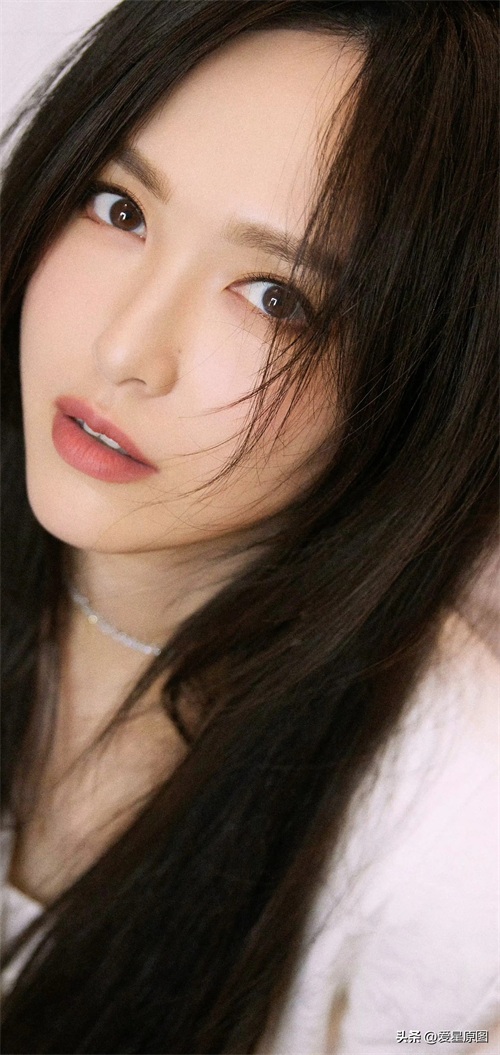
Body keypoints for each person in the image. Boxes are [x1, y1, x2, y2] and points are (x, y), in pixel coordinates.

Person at [1, 1, 498, 1052]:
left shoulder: (448, 831)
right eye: (120, 207)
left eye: (276, 297)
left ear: (425, 382)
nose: (126, 350)